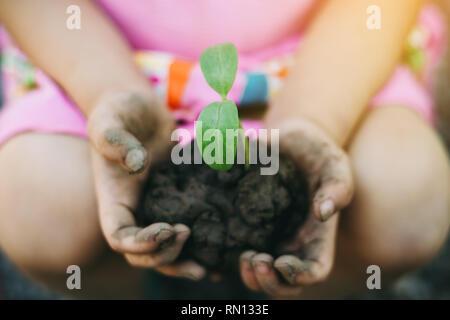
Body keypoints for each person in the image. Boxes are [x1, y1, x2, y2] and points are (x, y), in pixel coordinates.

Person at [0, 0, 448, 299]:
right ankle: (148, 291)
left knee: (407, 194)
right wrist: (108, 90)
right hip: (99, 62)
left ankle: (296, 292)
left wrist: (314, 116)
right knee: (36, 207)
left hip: (323, 68)